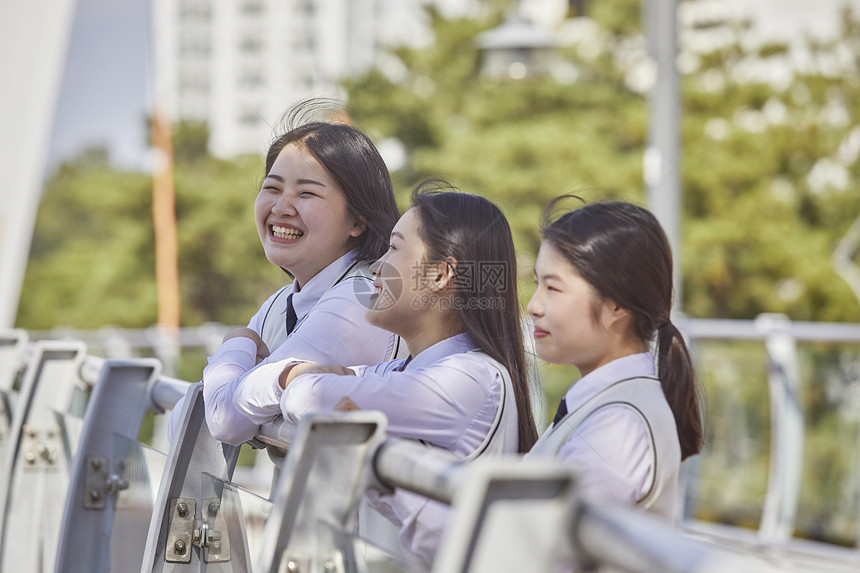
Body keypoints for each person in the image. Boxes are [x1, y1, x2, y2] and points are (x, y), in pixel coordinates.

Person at [236, 185, 539, 564]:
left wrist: (266, 363)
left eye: (395, 247)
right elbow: (253, 395)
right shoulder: (402, 369)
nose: (376, 266)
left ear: (441, 274)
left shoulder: (470, 378)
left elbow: (302, 399)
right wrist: (304, 378)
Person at [169, 110, 404, 446]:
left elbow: (223, 419)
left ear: (357, 221)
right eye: (272, 188)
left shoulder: (361, 299)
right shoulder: (281, 303)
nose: (281, 207)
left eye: (306, 193)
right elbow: (184, 425)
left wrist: (238, 342)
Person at [525, 197, 704, 520]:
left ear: (617, 305)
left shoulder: (618, 426)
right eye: (537, 284)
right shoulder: (610, 404)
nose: (533, 306)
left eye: (552, 288)